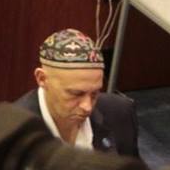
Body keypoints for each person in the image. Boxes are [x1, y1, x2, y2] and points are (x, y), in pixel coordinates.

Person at [13, 28, 140, 157]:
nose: (87, 107)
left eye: (94, 93)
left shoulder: (119, 112)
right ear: (42, 79)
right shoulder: (11, 135)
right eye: (76, 94)